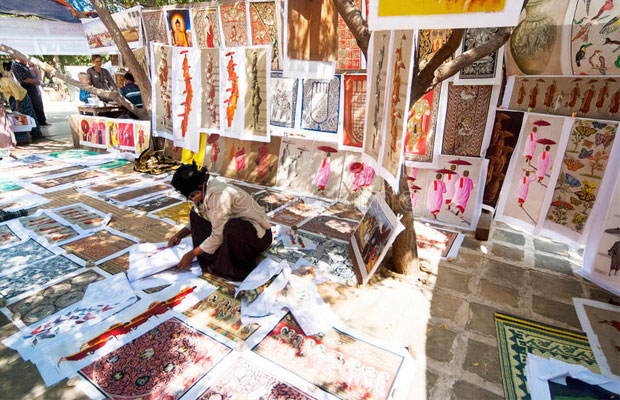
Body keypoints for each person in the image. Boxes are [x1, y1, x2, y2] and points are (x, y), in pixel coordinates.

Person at [167, 163, 273, 281]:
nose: (190, 199)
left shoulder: (219, 195)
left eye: (192, 195)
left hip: (258, 237)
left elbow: (218, 235)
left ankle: (237, 268)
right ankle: (214, 257)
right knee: (194, 214)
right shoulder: (201, 190)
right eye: (188, 197)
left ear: (201, 186)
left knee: (233, 229)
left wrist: (191, 254)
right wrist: (178, 235)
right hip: (233, 230)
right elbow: (199, 215)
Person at [1, 62, 41, 138]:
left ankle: (36, 134)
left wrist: (17, 106)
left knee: (28, 116)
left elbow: (16, 93)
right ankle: (24, 136)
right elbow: (6, 94)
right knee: (16, 117)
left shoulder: (7, 81)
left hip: (22, 97)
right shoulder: (2, 84)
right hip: (12, 98)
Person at [11, 58, 48, 126]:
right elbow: (24, 79)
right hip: (26, 88)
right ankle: (36, 124)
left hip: (32, 87)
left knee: (38, 104)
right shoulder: (16, 66)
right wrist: (36, 81)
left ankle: (41, 121)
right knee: (33, 106)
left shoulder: (24, 65)